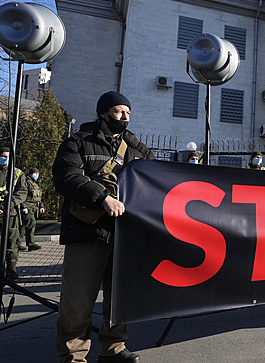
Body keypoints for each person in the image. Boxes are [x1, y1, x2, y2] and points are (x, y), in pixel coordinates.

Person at [53, 91, 154, 363]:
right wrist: (102, 198)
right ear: (103, 113)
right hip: (87, 233)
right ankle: (73, 356)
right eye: (120, 111)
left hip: (124, 236)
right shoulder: (78, 143)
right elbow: (66, 177)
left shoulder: (136, 148)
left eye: (128, 113)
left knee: (119, 299)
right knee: (77, 301)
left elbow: (154, 178)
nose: (125, 117)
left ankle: (113, 349)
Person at [0, 146, 28, 281]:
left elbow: (21, 193)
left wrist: (5, 205)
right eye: (3, 156)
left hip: (9, 213)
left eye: (7, 157)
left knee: (11, 242)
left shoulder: (17, 173)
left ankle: (11, 269)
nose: (5, 159)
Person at [19, 167, 45, 252]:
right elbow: (21, 195)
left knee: (23, 226)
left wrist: (41, 206)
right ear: (30, 174)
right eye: (35, 173)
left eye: (37, 174)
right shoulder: (26, 182)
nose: (36, 175)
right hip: (27, 205)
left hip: (34, 206)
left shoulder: (36, 183)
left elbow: (39, 197)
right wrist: (24, 207)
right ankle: (31, 244)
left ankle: (17, 244)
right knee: (31, 223)